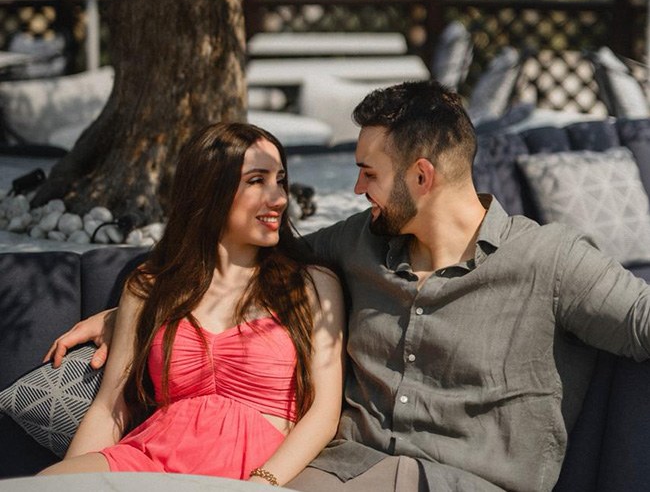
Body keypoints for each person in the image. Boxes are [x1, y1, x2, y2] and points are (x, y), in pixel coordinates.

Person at [47, 81, 650, 492]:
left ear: (421, 177)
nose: (358, 190)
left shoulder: (551, 261)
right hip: (339, 473)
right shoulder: (358, 243)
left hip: (458, 481)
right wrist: (129, 314)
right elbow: (237, 269)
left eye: (368, 173)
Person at [39, 122, 345, 487]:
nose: (279, 198)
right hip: (146, 461)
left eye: (280, 180)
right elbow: (110, 408)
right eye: (257, 180)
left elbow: (324, 414)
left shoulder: (310, 285)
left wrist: (263, 482)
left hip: (252, 475)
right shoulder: (149, 287)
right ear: (210, 189)